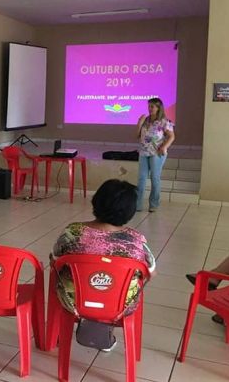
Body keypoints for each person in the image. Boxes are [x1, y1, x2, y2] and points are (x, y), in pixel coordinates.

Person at [52, 179, 155, 351]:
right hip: (120, 306)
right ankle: (104, 329)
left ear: (96, 202)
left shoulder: (73, 232)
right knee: (114, 286)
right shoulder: (136, 240)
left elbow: (56, 255)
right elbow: (151, 271)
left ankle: (76, 326)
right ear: (130, 211)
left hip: (74, 302)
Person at [135, 97, 175, 212]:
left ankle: (154, 204)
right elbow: (137, 135)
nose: (150, 108)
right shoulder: (145, 120)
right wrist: (139, 123)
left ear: (158, 108)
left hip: (156, 153)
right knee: (141, 178)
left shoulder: (164, 121)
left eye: (152, 106)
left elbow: (172, 136)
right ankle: (138, 205)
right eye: (149, 106)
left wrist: (164, 147)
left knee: (154, 178)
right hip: (143, 152)